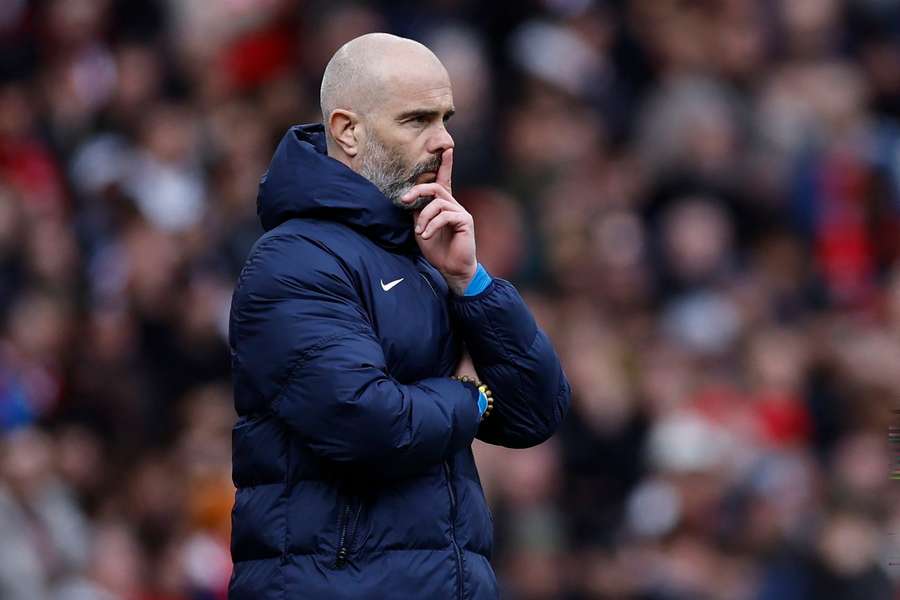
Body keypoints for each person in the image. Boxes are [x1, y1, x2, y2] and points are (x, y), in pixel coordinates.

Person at [228, 32, 571, 599]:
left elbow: (537, 410)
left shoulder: (427, 251)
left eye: (445, 118)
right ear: (348, 131)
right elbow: (370, 421)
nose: (442, 141)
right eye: (416, 120)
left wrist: (471, 283)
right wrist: (472, 398)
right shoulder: (294, 260)